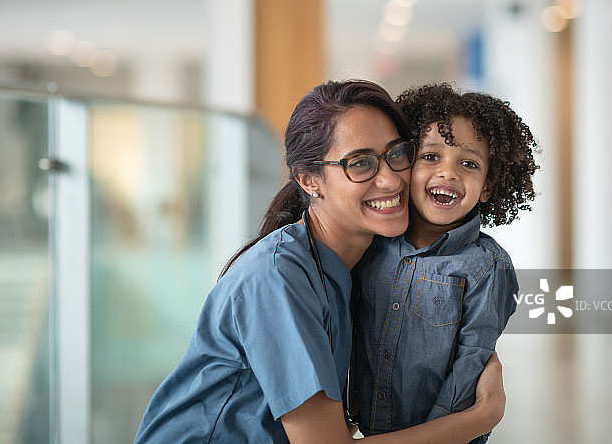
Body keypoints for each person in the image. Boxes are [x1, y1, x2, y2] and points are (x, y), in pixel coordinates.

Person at [134, 79, 506, 443]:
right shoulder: (278, 278)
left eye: (397, 154)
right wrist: (482, 415)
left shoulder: (354, 270)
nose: (391, 180)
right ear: (310, 180)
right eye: (360, 163)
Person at [351, 82, 538, 441]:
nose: (449, 173)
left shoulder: (487, 267)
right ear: (406, 165)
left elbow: (470, 367)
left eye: (469, 163)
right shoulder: (374, 243)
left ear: (486, 186)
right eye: (431, 157)